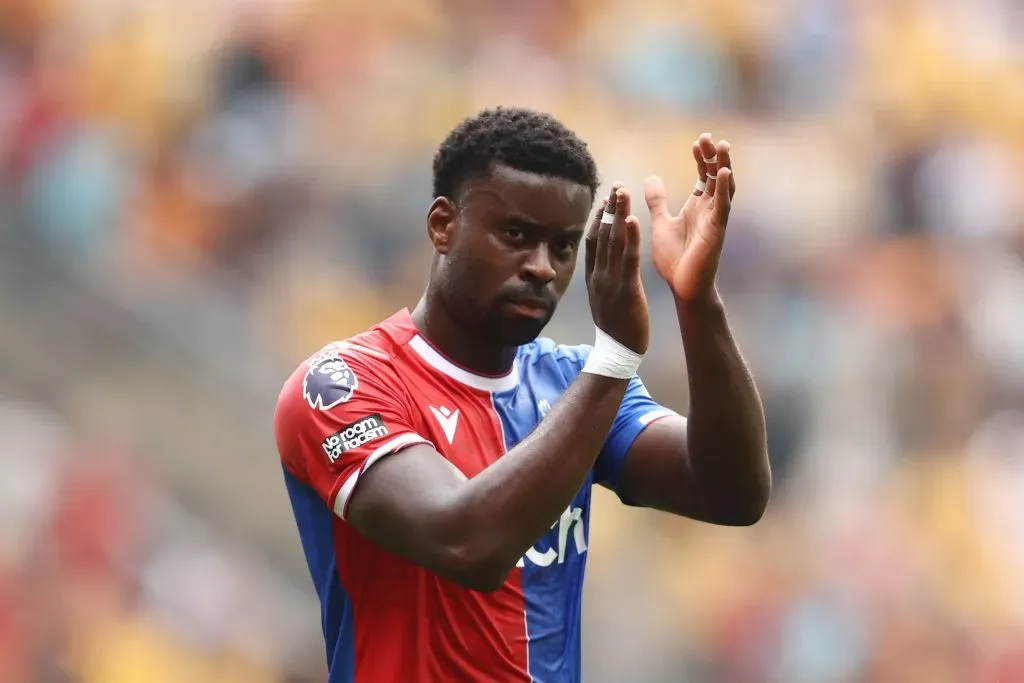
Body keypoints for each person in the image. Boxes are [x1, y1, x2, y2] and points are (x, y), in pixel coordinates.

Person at [274, 106, 771, 683]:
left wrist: (698, 302)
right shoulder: (342, 384)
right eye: (515, 235)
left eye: (563, 246)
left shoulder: (572, 381)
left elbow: (732, 494)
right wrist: (613, 361)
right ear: (443, 225)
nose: (541, 268)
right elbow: (467, 544)